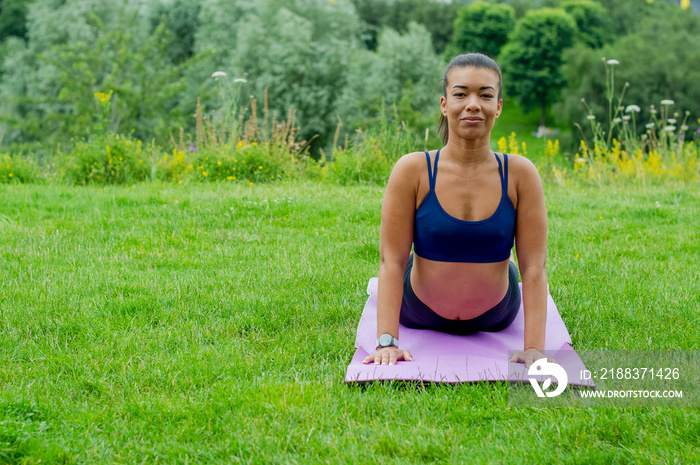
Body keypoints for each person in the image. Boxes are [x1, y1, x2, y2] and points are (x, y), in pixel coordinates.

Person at [362, 53, 549, 369]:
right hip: (418, 309)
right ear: (444, 104)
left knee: (515, 270)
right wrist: (387, 342)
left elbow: (534, 268)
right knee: (406, 261)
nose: (473, 104)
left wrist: (534, 348)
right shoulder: (414, 169)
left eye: (485, 95)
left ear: (498, 106)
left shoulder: (520, 174)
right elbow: (391, 260)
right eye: (461, 94)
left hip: (496, 314)